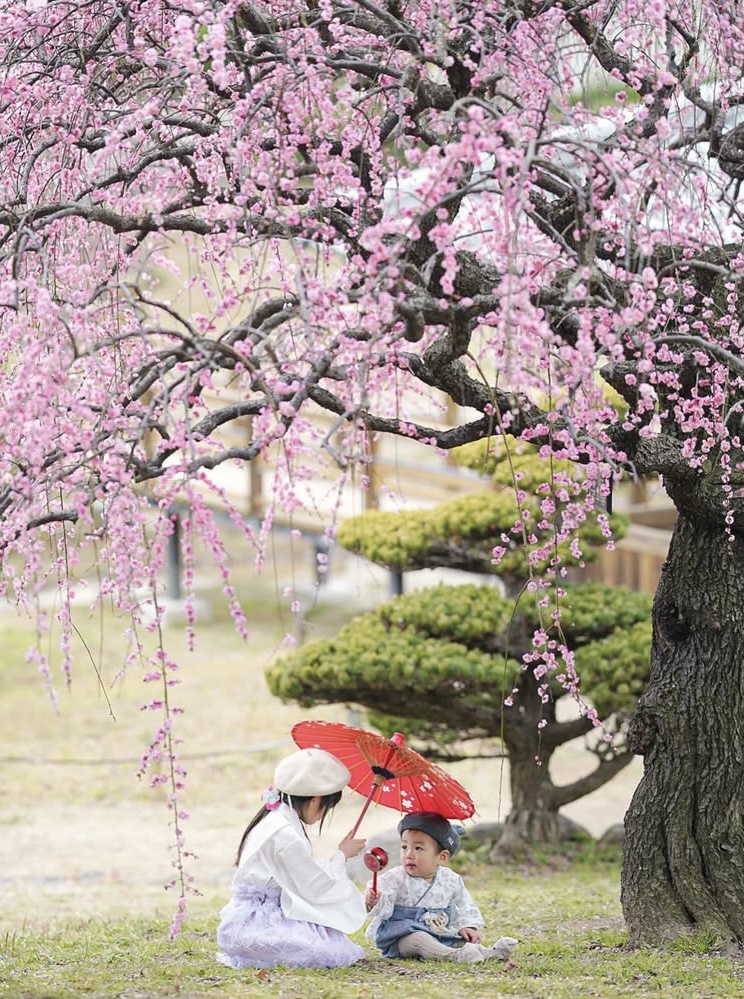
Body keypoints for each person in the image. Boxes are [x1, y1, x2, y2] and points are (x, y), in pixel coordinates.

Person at [216, 747, 368, 969]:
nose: (323, 814)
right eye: (327, 807)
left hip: (243, 920)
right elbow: (313, 885)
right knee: (326, 951)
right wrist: (342, 855)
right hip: (259, 924)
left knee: (326, 942)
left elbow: (302, 873)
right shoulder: (287, 834)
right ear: (315, 800)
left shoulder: (275, 817)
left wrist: (341, 854)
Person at [364, 811, 518, 965]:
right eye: (404, 847)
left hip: (439, 932)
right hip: (403, 936)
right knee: (419, 939)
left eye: (418, 848)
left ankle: (491, 953)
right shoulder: (395, 877)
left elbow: (463, 904)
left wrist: (467, 926)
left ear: (442, 857)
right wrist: (374, 900)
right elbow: (382, 898)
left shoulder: (450, 879)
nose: (409, 854)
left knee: (460, 939)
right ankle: (453, 956)